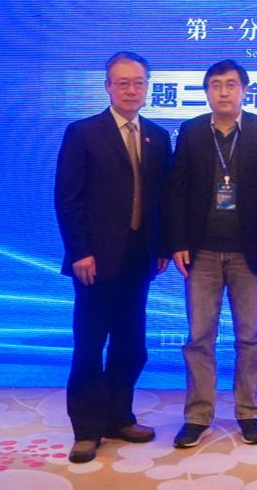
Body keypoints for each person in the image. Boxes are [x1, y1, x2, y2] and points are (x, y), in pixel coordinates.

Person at [165, 60, 257, 449]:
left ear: (245, 90)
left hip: (249, 251)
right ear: (206, 91)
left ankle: (248, 412)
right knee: (199, 337)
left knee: (249, 337)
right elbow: (177, 190)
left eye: (231, 84)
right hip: (201, 250)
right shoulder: (190, 131)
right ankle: (197, 415)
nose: (223, 91)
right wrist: (177, 242)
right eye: (216, 84)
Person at [55, 51, 172, 464]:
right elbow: (67, 199)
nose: (131, 90)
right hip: (95, 261)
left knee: (132, 345)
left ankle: (119, 416)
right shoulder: (83, 132)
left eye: (138, 82)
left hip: (139, 260)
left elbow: (162, 200)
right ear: (107, 87)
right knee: (89, 346)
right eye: (122, 82)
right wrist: (79, 252)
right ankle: (87, 430)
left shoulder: (157, 136)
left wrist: (162, 247)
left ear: (147, 87)